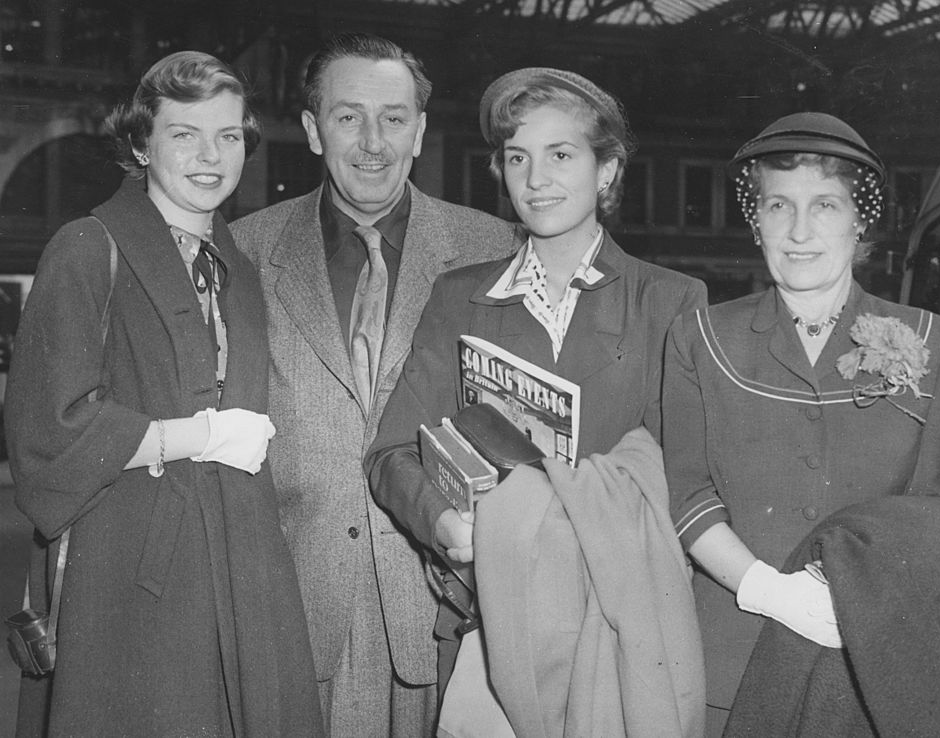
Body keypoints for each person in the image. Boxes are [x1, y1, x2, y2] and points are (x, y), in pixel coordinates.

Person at [365, 67, 708, 734]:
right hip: (493, 622)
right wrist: (443, 523)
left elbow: (690, 479)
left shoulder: (668, 302)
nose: (536, 179)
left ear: (607, 171)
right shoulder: (459, 296)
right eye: (517, 158)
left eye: (561, 154)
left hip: (613, 626)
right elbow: (390, 452)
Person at [4, 51, 323, 737]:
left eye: (229, 135)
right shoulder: (88, 247)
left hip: (239, 562)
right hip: (127, 574)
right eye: (185, 134)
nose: (210, 156)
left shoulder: (234, 261)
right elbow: (48, 430)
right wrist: (200, 436)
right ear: (142, 144)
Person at [229, 33, 519, 737]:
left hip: (449, 604)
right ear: (310, 129)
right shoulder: (242, 249)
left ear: (420, 132)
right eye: (347, 116)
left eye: (393, 118)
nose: (372, 142)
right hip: (292, 604)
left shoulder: (494, 249)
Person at [662, 111, 940, 735]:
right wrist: (768, 589)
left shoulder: (931, 340)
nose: (800, 230)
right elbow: (687, 494)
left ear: (860, 221)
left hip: (874, 667)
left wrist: (868, 589)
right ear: (756, 221)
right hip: (731, 665)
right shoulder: (700, 336)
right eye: (779, 205)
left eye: (826, 206)